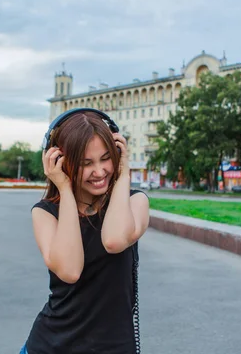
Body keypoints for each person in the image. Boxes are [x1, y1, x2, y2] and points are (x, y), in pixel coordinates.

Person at [20, 109, 150, 354]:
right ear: (62, 162)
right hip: (50, 346)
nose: (99, 172)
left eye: (106, 158)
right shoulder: (45, 213)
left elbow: (113, 240)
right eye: (86, 163)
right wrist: (65, 189)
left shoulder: (135, 203)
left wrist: (123, 174)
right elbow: (70, 270)